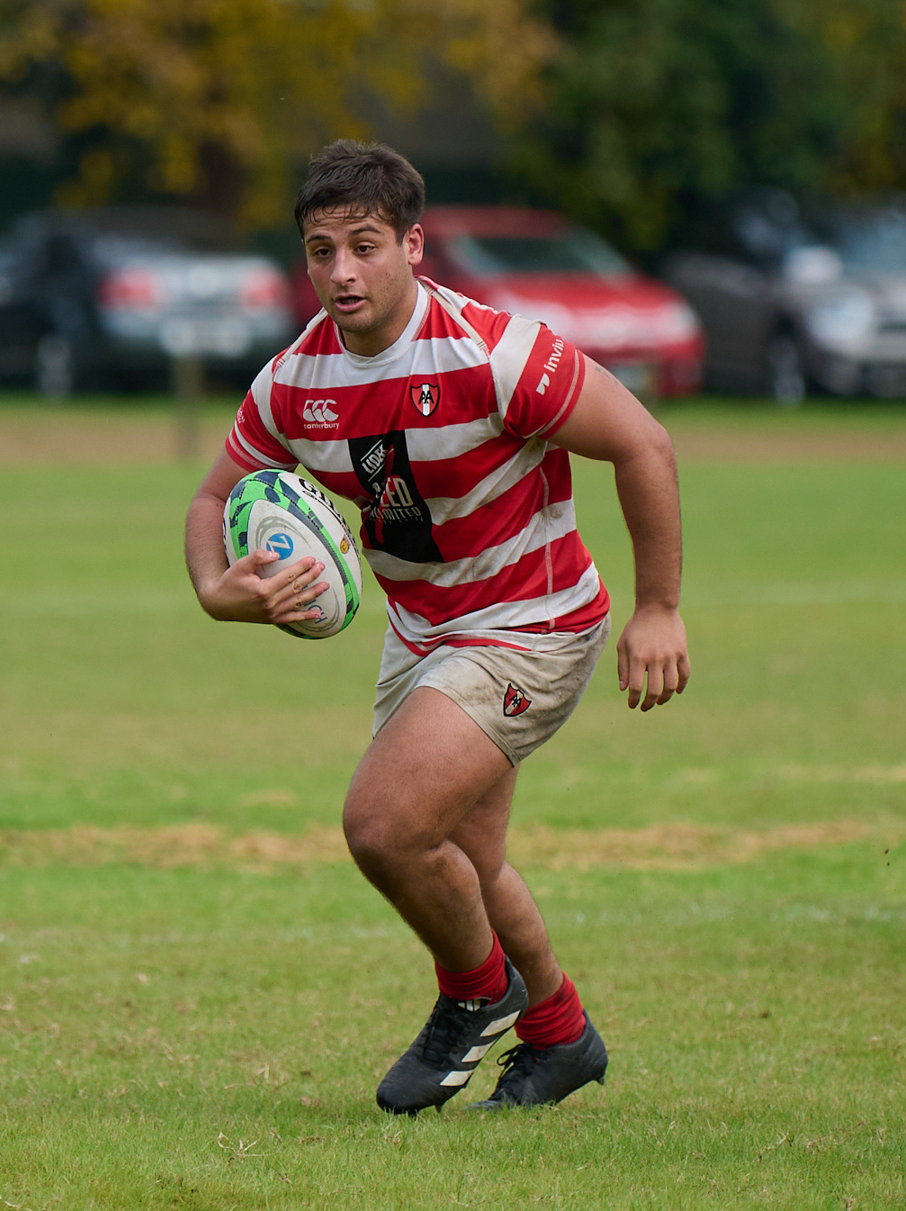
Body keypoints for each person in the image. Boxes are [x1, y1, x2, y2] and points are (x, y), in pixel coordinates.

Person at [182, 141, 691, 1115]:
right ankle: (559, 1035)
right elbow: (213, 494)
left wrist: (658, 606)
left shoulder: (496, 354)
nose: (341, 271)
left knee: (383, 824)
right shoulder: (295, 380)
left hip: (531, 621)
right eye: (320, 250)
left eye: (364, 245)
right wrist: (218, 587)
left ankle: (476, 991)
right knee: (468, 858)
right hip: (425, 631)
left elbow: (643, 441)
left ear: (414, 244)